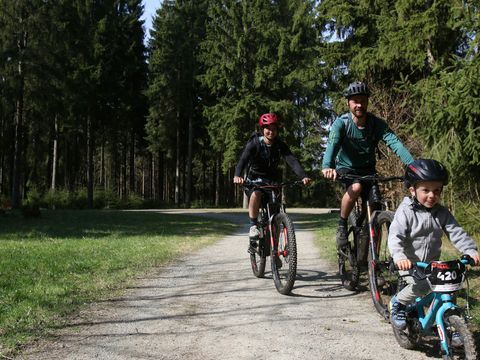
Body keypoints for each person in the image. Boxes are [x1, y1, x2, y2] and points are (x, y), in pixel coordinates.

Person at [388, 158, 479, 330]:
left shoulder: (442, 212)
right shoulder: (405, 211)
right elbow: (395, 236)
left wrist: (470, 250)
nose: (432, 195)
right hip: (409, 264)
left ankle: (450, 322)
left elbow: (456, 232)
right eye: (426, 190)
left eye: (437, 191)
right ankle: (397, 303)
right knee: (422, 285)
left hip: (431, 265)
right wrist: (399, 256)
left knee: (452, 286)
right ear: (412, 190)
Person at [321, 81, 414, 250]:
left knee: (376, 205)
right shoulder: (341, 123)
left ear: (367, 102)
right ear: (348, 102)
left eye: (363, 100)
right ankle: (342, 225)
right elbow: (332, 144)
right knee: (355, 188)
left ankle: (372, 256)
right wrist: (327, 165)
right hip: (347, 168)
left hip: (368, 169)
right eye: (355, 101)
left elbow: (394, 142)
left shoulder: (375, 124)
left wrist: (413, 165)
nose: (359, 104)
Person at [233, 113, 311, 244]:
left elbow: (292, 160)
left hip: (272, 181)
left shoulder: (280, 144)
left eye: (274, 129)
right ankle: (253, 226)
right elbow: (243, 160)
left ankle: (275, 250)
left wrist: (303, 176)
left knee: (275, 215)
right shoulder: (254, 143)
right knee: (256, 194)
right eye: (268, 128)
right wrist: (237, 175)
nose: (271, 132)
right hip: (255, 180)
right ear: (262, 129)